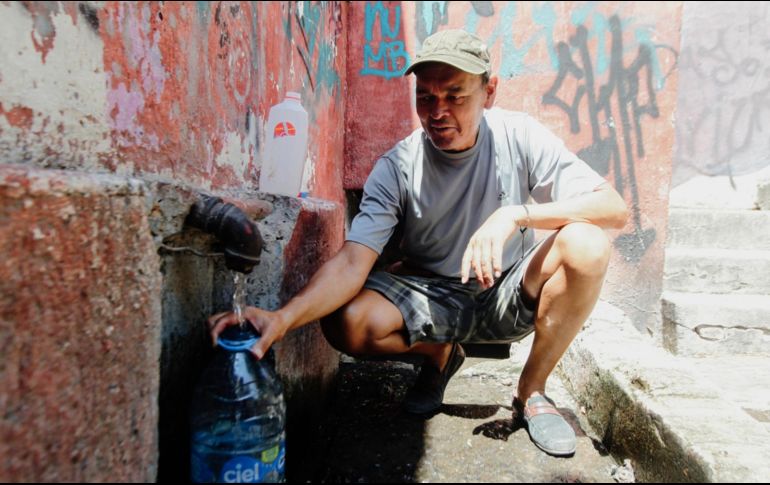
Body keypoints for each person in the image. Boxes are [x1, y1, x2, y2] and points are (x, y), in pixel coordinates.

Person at [209, 29, 628, 457]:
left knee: (587, 244)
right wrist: (283, 319)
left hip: (506, 291)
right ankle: (440, 354)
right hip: (431, 297)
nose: (439, 112)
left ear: (490, 92)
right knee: (344, 321)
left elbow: (614, 208)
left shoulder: (519, 136)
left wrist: (516, 214)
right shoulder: (397, 166)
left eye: (455, 95)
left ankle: (531, 392)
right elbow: (353, 260)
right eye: (425, 97)